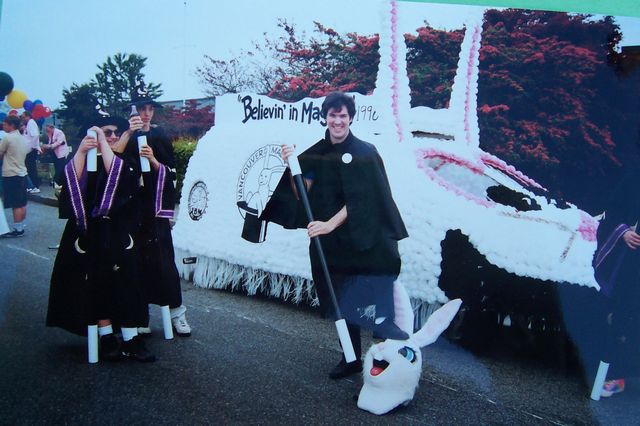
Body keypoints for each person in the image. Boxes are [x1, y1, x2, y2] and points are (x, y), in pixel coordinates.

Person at [261, 92, 409, 379]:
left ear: (350, 118)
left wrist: (330, 223)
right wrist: (292, 164)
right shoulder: (316, 153)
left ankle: (385, 342)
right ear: (325, 117)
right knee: (341, 298)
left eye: (342, 115)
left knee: (379, 280)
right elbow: (301, 193)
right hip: (333, 243)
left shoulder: (366, 152)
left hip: (364, 235)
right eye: (333, 115)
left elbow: (365, 201)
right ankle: (350, 357)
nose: (337, 121)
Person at [46, 112, 155, 362]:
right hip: (88, 234)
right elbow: (67, 183)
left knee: (127, 282)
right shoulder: (84, 158)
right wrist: (82, 152)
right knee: (95, 283)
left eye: (116, 133)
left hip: (119, 232)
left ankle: (130, 338)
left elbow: (121, 178)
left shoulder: (122, 159)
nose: (113, 136)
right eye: (107, 132)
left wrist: (106, 144)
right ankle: (106, 336)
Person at [116, 83, 191, 337]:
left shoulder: (159, 137)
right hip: (130, 209)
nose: (146, 114)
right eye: (142, 109)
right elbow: (112, 167)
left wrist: (154, 162)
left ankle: (177, 314)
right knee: (135, 260)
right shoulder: (124, 137)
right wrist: (127, 137)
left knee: (163, 261)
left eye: (150, 109)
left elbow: (171, 173)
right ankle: (140, 314)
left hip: (155, 207)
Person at [592, 169, 640, 397]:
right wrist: (623, 232)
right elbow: (614, 209)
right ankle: (609, 373)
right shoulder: (635, 175)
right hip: (629, 261)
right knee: (618, 313)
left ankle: (620, 373)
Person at [0, 115, 30, 238]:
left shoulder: (8, 138)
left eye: (5, 124)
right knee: (22, 201)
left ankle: (17, 229)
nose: (3, 126)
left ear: (11, 125)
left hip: (11, 173)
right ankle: (21, 225)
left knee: (15, 203)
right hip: (22, 172)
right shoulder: (22, 138)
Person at [21, 110, 41, 193]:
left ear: (27, 116)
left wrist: (30, 146)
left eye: (24, 117)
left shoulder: (31, 123)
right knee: (29, 167)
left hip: (31, 150)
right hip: (30, 149)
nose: (23, 118)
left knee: (31, 168)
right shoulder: (29, 124)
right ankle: (32, 185)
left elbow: (35, 135)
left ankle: (35, 185)